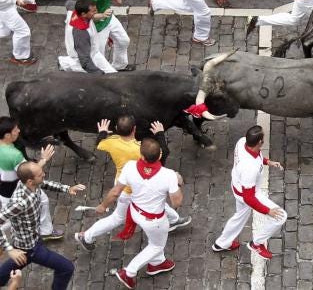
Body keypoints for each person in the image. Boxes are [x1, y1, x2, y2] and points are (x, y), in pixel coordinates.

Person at [75, 116, 191, 253]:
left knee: (155, 199)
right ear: (135, 129)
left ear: (116, 130)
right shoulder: (139, 149)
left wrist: (103, 132)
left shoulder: (111, 142)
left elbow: (99, 143)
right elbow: (162, 152)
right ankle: (86, 237)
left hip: (122, 180)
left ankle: (174, 219)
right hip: (132, 189)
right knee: (118, 218)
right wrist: (160, 134)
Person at [95, 137, 183, 288]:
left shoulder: (129, 167)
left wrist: (103, 206)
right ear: (160, 155)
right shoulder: (168, 175)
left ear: (141, 155)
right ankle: (129, 272)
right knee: (156, 245)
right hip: (154, 220)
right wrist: (179, 182)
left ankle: (157, 263)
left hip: (135, 212)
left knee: (154, 241)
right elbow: (176, 202)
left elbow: (116, 191)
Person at [0, 162, 86, 288]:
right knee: (66, 268)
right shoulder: (20, 202)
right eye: (40, 175)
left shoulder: (29, 184)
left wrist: (67, 188)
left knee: (6, 272)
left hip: (32, 241)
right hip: (30, 248)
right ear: (30, 181)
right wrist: (10, 250)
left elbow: (43, 183)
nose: (44, 175)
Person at [212, 126, 286, 260]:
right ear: (259, 143)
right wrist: (267, 211)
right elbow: (249, 198)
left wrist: (268, 162)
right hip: (247, 193)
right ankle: (256, 244)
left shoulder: (242, 142)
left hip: (237, 185)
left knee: (239, 216)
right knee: (281, 217)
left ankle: (221, 244)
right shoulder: (249, 169)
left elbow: (257, 156)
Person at [0, 118, 56, 232]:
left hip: (3, 190)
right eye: (15, 130)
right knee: (11, 220)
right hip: (14, 191)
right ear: (7, 135)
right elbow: (28, 173)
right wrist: (44, 159)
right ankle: (46, 232)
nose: (19, 131)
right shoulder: (14, 155)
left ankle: (46, 231)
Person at [82, 0, 134, 71]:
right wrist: (102, 15)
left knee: (123, 40)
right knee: (99, 55)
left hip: (108, 18)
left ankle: (119, 66)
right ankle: (101, 75)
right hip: (97, 27)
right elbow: (86, 16)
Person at [58, 0, 117, 74]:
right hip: (84, 57)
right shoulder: (81, 33)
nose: (97, 12)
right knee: (109, 76)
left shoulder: (74, 7)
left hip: (91, 51)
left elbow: (69, 2)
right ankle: (64, 63)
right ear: (83, 14)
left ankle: (65, 63)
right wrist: (99, 73)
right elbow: (85, 62)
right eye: (94, 11)